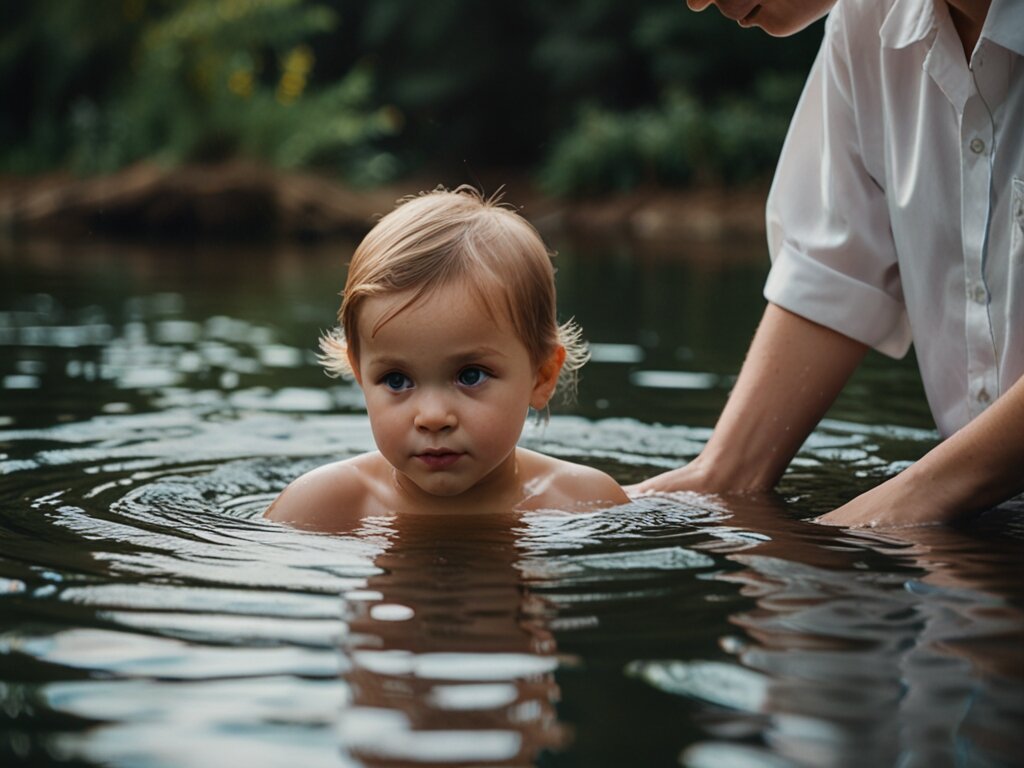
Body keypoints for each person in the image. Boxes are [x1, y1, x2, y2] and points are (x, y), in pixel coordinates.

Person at [633, 0, 1024, 527]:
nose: (696, 2)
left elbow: (918, 502)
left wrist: (911, 500)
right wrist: (570, 507)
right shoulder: (868, 22)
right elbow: (832, 274)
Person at [266, 187, 628, 529]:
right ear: (361, 377)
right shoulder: (323, 507)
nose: (433, 417)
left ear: (542, 376)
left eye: (470, 375)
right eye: (396, 380)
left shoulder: (580, 502)